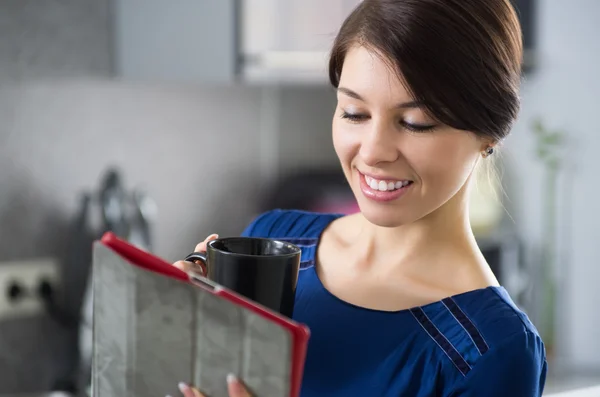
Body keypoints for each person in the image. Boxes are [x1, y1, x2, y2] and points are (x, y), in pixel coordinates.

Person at [171, 0, 548, 396]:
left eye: (415, 123)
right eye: (354, 113)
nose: (372, 152)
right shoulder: (275, 242)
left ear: (489, 133)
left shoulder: (492, 352)